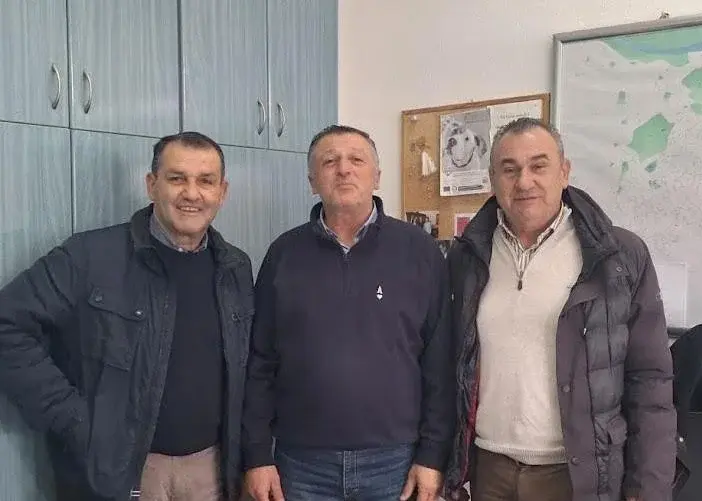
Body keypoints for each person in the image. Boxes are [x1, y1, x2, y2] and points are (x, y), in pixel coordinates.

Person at [0, 132, 254, 501]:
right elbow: (8, 324)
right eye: (177, 178)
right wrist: (73, 419)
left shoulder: (235, 267)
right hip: (120, 471)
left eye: (206, 181)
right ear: (152, 185)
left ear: (222, 192)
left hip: (211, 470)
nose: (192, 193)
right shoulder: (89, 256)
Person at [444, 118, 676, 501]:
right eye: (509, 169)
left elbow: (650, 379)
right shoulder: (467, 257)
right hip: (488, 471)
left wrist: (648, 485)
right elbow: (452, 368)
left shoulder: (618, 256)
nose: (524, 182)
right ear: (492, 179)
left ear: (564, 172)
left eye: (539, 166)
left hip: (577, 475)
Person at [242, 124, 454, 501]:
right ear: (312, 181)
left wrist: (432, 456)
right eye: (330, 162)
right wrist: (257, 455)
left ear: (377, 177)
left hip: (395, 463)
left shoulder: (420, 251)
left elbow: (439, 363)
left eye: (356, 160)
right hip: (301, 463)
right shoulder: (283, 255)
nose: (344, 169)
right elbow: (260, 363)